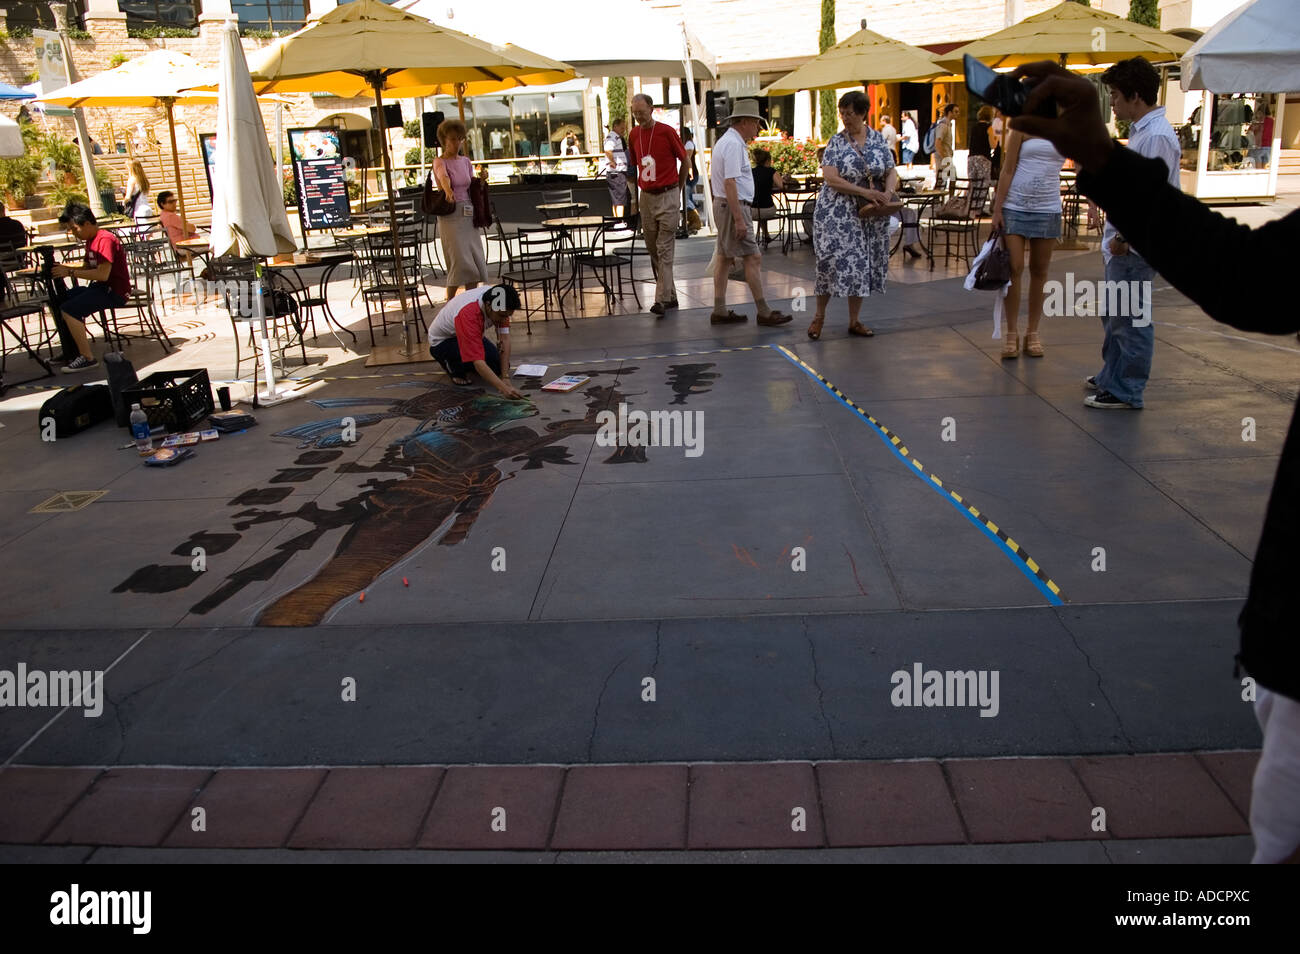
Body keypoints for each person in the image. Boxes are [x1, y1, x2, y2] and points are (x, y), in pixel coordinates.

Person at [1012, 57, 1300, 867]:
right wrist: (1102, 160)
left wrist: (1105, 165)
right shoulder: (1143, 141)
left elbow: (1251, 282)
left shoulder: (1158, 137)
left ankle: (1122, 384)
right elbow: (1254, 280)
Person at [1086, 57, 1181, 411]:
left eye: (1115, 95)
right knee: (1116, 315)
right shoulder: (1146, 130)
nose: (1112, 102)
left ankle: (1126, 387)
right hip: (1128, 244)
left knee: (1131, 318)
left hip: (1135, 246)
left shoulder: (1155, 135)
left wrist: (1124, 240)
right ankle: (1114, 374)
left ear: (1135, 95)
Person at [807, 90, 897, 341]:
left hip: (869, 214)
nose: (845, 119)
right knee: (829, 262)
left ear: (862, 113)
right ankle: (819, 316)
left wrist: (888, 193)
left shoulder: (878, 139)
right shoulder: (837, 142)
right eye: (842, 114)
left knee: (860, 265)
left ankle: (854, 320)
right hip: (837, 213)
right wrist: (865, 192)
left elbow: (890, 171)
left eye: (850, 114)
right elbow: (831, 177)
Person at [709, 98, 791, 327]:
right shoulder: (734, 145)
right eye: (756, 123)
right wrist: (739, 219)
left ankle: (720, 309)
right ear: (745, 122)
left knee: (724, 259)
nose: (757, 128)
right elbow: (730, 183)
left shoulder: (727, 142)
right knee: (752, 257)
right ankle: (763, 311)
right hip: (733, 207)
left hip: (726, 206)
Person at [990, 124, 1066, 358]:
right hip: (1015, 206)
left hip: (1047, 207)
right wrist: (997, 208)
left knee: (1040, 270)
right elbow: (1008, 169)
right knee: (1014, 268)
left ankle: (1033, 332)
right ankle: (1011, 333)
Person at [48, 203, 131, 372]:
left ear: (86, 223)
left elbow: (102, 274)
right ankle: (69, 349)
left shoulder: (104, 239)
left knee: (69, 309)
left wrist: (69, 272)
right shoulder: (91, 240)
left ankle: (87, 358)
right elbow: (86, 268)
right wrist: (63, 268)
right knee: (58, 301)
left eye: (75, 228)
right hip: (100, 288)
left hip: (114, 292)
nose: (73, 233)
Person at [628, 92, 688, 316]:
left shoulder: (666, 132)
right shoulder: (634, 135)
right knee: (653, 247)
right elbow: (634, 168)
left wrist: (678, 190)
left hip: (668, 193)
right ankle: (670, 295)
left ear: (651, 109)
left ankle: (660, 299)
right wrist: (634, 199)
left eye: (642, 113)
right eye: (635, 114)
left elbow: (685, 161)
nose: (639, 117)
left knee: (664, 248)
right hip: (647, 196)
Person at [427, 283, 526, 399]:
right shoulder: (469, 314)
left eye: (507, 316)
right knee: (474, 363)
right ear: (489, 306)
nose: (504, 319)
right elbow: (478, 361)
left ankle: (466, 364)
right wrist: (504, 389)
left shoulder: (499, 300)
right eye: (502, 316)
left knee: (497, 367)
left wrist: (505, 377)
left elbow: (505, 339)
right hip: (444, 341)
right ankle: (451, 364)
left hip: (470, 333)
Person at [433, 119, 490, 302]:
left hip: (468, 213)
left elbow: (471, 185)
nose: (456, 143)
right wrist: (448, 190)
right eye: (452, 139)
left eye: (459, 139)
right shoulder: (440, 161)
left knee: (473, 258)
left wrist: (481, 180)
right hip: (451, 215)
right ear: (444, 140)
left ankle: (470, 301)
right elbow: (443, 177)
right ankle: (450, 303)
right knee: (459, 261)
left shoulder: (465, 161)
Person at [750, 147, 784, 247]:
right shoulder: (771, 171)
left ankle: (766, 234)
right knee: (765, 210)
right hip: (768, 209)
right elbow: (781, 185)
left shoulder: (751, 172)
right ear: (768, 160)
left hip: (752, 210)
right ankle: (766, 235)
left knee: (760, 212)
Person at [602, 117, 631, 218]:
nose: (624, 131)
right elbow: (608, 150)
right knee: (620, 198)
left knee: (617, 199)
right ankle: (620, 222)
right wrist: (612, 161)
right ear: (615, 126)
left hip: (615, 172)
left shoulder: (613, 137)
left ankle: (617, 221)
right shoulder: (613, 137)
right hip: (617, 172)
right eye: (622, 128)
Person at [969, 105, 994, 196]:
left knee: (973, 184)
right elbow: (993, 145)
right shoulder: (989, 128)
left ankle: (970, 206)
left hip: (971, 158)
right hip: (983, 158)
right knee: (982, 185)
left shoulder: (973, 127)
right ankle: (978, 208)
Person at [933, 102, 958, 190]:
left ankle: (950, 200)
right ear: (950, 112)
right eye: (955, 111)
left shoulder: (948, 125)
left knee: (952, 177)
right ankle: (936, 201)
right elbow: (938, 143)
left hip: (947, 156)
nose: (957, 114)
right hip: (942, 157)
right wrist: (945, 158)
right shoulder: (943, 125)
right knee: (941, 181)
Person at [123, 160, 152, 229]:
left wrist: (123, 202)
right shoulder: (143, 179)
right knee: (148, 232)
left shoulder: (132, 180)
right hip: (147, 207)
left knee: (143, 233)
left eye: (126, 167)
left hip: (138, 209)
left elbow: (128, 197)